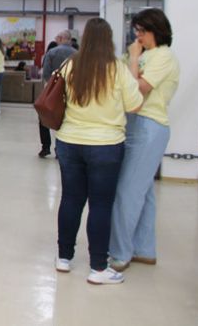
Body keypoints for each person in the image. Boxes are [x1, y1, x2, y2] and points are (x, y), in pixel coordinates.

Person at [53, 18, 143, 285]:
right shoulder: (117, 68)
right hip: (106, 145)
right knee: (101, 205)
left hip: (69, 141)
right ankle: (98, 268)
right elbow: (135, 105)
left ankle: (63, 258)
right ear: (109, 39)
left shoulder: (71, 64)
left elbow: (56, 94)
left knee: (71, 199)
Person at [109, 9, 179, 272]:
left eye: (142, 31)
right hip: (134, 124)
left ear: (156, 30)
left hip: (149, 126)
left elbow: (139, 88)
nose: (138, 36)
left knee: (127, 192)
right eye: (136, 30)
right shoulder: (143, 54)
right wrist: (133, 58)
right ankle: (144, 249)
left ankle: (120, 253)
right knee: (143, 191)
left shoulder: (163, 56)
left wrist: (135, 58)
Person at [39, 30, 76, 157]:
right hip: (71, 93)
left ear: (60, 38)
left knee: (43, 117)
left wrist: (52, 87)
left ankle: (45, 147)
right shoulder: (77, 54)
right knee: (65, 120)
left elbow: (46, 74)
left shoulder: (51, 52)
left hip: (52, 93)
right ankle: (59, 149)